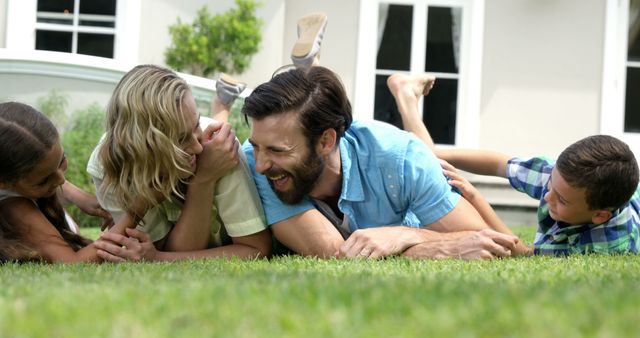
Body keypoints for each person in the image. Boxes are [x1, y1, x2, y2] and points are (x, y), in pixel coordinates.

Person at [240, 65, 522, 260]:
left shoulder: (400, 158)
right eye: (257, 146)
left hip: (405, 168)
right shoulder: (255, 161)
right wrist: (431, 246)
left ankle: (406, 97)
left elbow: (480, 241)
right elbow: (334, 252)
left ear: (326, 141)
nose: (263, 164)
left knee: (430, 156)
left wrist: (403, 235)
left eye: (278, 151)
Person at [392, 73, 640, 255]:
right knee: (432, 158)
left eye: (562, 200)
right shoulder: (566, 177)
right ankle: (406, 94)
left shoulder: (604, 245)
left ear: (599, 215)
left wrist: (476, 198)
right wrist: (437, 154)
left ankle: (406, 97)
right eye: (551, 185)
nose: (548, 197)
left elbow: (521, 252)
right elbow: (500, 163)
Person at [89, 65, 272, 262]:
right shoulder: (108, 168)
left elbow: (255, 248)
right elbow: (162, 246)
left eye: (196, 125)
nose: (198, 147)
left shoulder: (219, 151)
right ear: (144, 146)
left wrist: (202, 180)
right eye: (181, 139)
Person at [0, 101, 139, 262]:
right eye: (44, 180)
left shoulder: (30, 182)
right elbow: (73, 262)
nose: (61, 179)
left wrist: (78, 196)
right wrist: (135, 212)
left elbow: (56, 182)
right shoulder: (15, 208)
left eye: (61, 161)